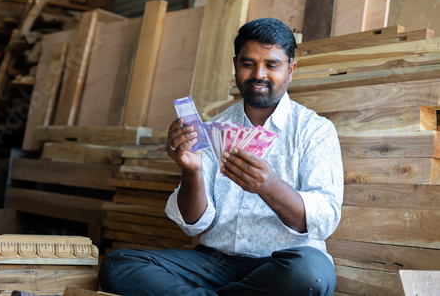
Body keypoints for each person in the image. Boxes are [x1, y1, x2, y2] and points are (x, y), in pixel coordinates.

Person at [98, 17, 344, 295]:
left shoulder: (315, 130)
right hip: (213, 265)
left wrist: (268, 186)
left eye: (272, 65)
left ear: (290, 70)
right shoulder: (212, 128)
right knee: (119, 265)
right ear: (236, 65)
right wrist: (191, 170)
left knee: (313, 273)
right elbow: (193, 225)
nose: (258, 74)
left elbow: (324, 220)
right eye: (248, 63)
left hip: (278, 267)